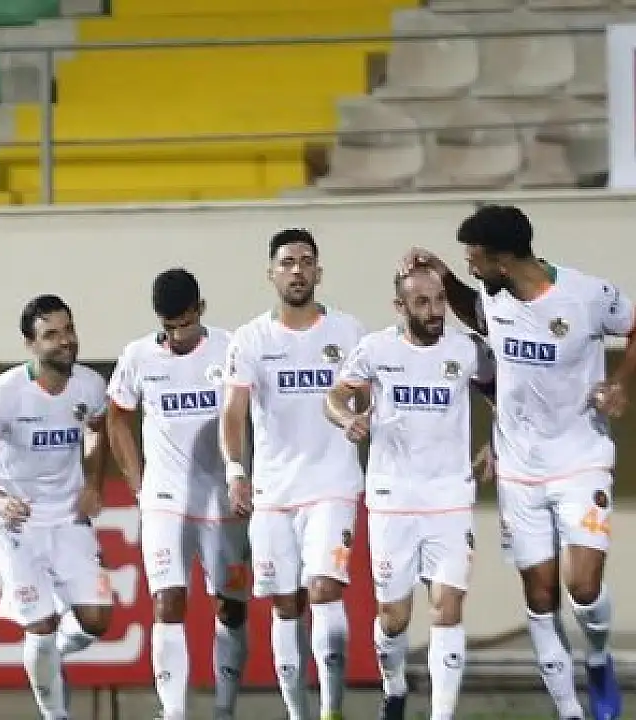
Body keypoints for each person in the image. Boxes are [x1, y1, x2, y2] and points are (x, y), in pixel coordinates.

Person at [401, 204, 633, 720]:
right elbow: (475, 311)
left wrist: (620, 382)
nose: (470, 266)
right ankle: (571, 712)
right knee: (541, 595)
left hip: (581, 460)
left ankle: (598, 657)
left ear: (502, 260)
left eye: (474, 258)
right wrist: (442, 274)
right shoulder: (493, 293)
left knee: (583, 587)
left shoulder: (588, 296)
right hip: (519, 470)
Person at [323, 267, 495, 720]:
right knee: (393, 617)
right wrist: (348, 419)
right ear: (400, 307)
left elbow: (506, 393)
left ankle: (441, 714)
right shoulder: (376, 350)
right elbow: (334, 397)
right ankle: (394, 687)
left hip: (450, 497)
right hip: (392, 499)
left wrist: (497, 442)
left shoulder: (466, 349)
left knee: (447, 606)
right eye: (422, 302)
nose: (435, 311)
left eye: (439, 300)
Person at [220, 229, 366, 720]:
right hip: (274, 491)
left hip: (333, 485)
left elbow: (372, 398)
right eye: (287, 262)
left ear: (319, 272)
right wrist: (236, 472)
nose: (297, 270)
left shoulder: (348, 332)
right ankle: (297, 713)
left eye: (306, 261)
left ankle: (332, 710)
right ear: (271, 274)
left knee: (324, 589)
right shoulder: (250, 339)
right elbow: (233, 412)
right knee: (285, 603)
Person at [0, 294, 114, 720]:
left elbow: (97, 431)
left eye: (68, 330)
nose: (65, 341)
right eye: (51, 335)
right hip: (16, 521)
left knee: (97, 620)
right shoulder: (5, 394)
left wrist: (94, 483)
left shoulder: (90, 386)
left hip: (68, 515)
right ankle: (56, 714)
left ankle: (51, 655)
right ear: (31, 344)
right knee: (40, 624)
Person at [106, 269, 248, 720]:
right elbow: (116, 416)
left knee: (230, 607)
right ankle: (173, 712)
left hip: (221, 500)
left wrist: (245, 473)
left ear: (200, 310)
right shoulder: (138, 356)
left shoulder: (231, 349)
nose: (177, 335)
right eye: (169, 327)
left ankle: (224, 709)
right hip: (165, 499)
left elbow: (257, 411)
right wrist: (138, 483)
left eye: (185, 324)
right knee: (168, 601)